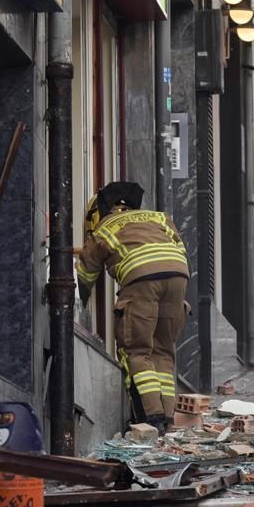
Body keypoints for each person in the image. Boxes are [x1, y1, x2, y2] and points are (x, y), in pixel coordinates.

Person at [76, 181, 190, 431]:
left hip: (141, 280)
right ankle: (169, 421)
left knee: (136, 351)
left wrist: (78, 304)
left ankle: (151, 419)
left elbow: (85, 274)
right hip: (178, 276)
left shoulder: (104, 228)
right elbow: (179, 248)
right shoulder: (159, 218)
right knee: (163, 351)